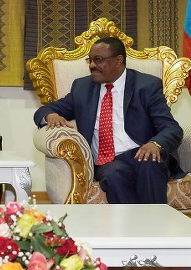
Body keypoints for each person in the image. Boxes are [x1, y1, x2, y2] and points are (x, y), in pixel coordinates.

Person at [34, 36, 183, 204]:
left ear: (118, 60)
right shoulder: (82, 88)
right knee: (115, 176)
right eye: (89, 60)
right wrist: (51, 116)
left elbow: (171, 128)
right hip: (109, 162)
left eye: (98, 60)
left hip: (142, 152)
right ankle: (130, 229)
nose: (92, 66)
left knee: (150, 164)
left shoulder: (146, 86)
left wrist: (155, 144)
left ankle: (155, 226)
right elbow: (45, 110)